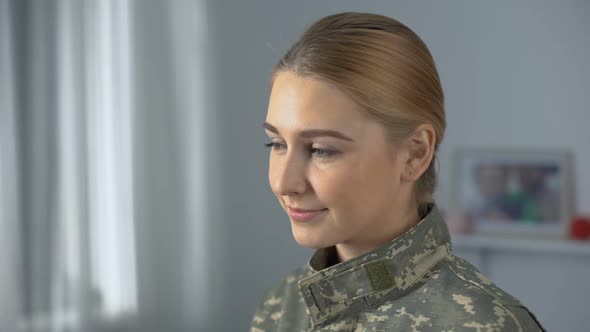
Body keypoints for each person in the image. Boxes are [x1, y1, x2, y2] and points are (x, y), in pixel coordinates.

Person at [252, 12, 545, 331]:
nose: (284, 182)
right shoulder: (280, 307)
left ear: (414, 153)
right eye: (277, 144)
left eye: (322, 149)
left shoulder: (487, 324)